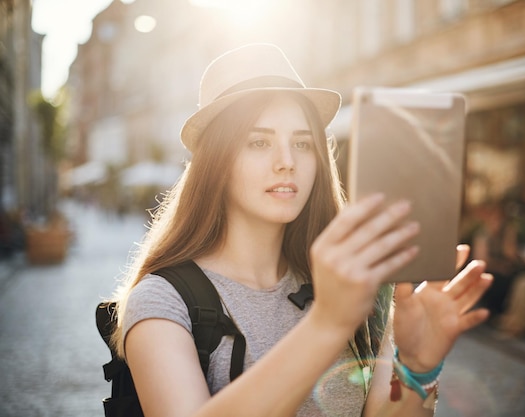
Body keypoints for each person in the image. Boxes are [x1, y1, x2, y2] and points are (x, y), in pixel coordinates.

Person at [108, 43, 493, 417]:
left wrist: (417, 368)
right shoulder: (163, 300)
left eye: (303, 144)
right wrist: (327, 322)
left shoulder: (355, 284)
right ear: (216, 160)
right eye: (259, 142)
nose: (287, 162)